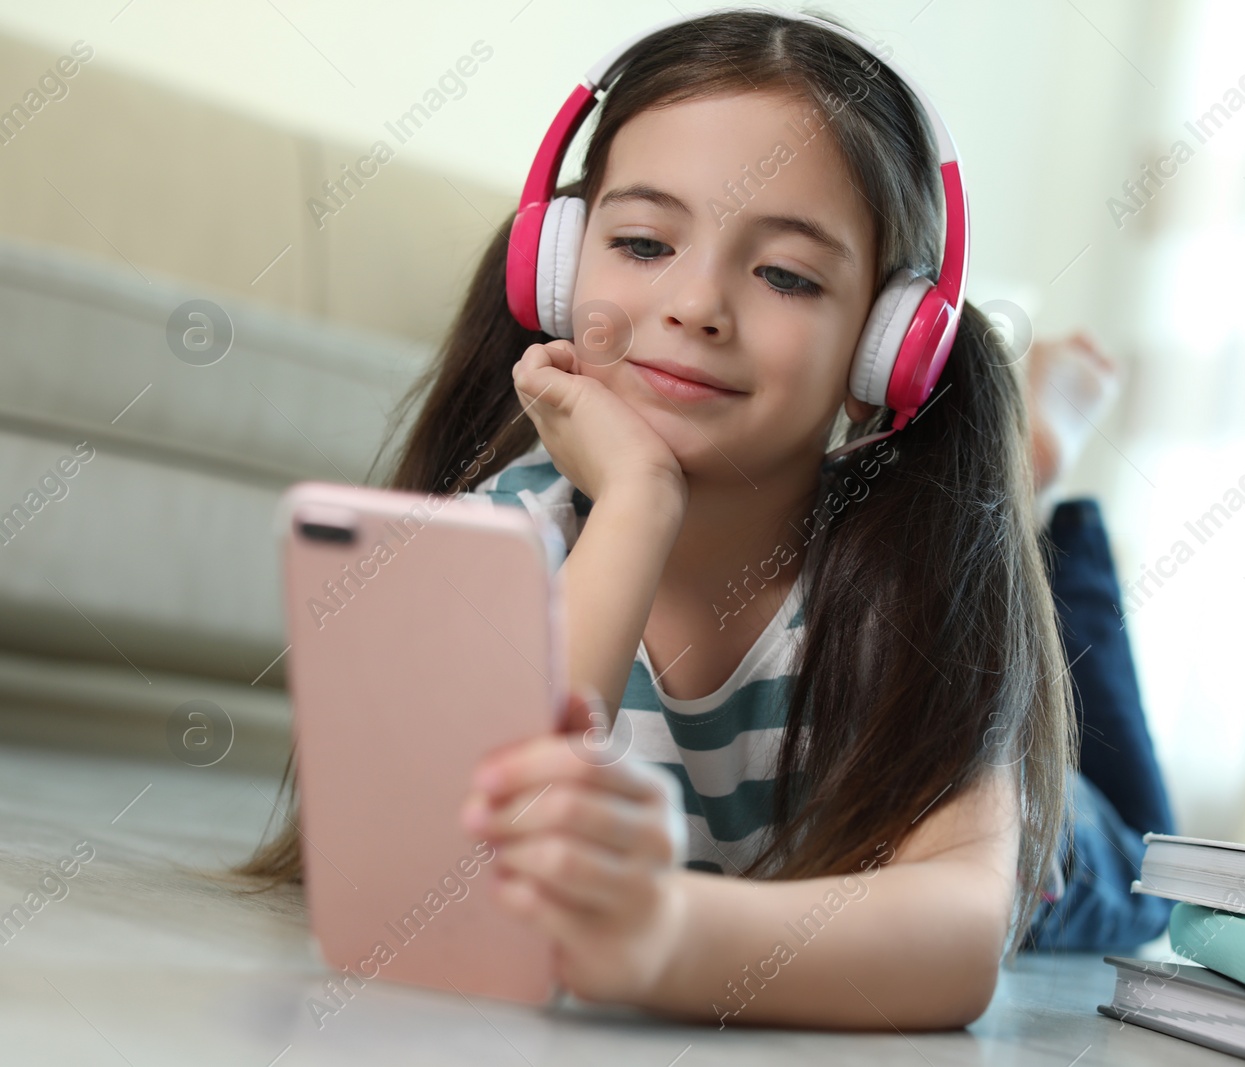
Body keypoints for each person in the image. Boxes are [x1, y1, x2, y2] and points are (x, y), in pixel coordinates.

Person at [231, 8, 1164, 1029]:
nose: (695, 304)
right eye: (640, 241)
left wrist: (666, 935)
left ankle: (1039, 489)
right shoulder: (500, 536)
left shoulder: (909, 577)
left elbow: (955, 935)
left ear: (883, 350)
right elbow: (446, 885)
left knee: (1149, 862)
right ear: (556, 265)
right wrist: (635, 505)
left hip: (1063, 850)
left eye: (785, 275)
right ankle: (1028, 481)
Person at [1018, 332, 1178, 952]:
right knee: (1156, 874)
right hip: (997, 816)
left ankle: (1014, 495)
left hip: (993, 803)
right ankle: (1014, 497)